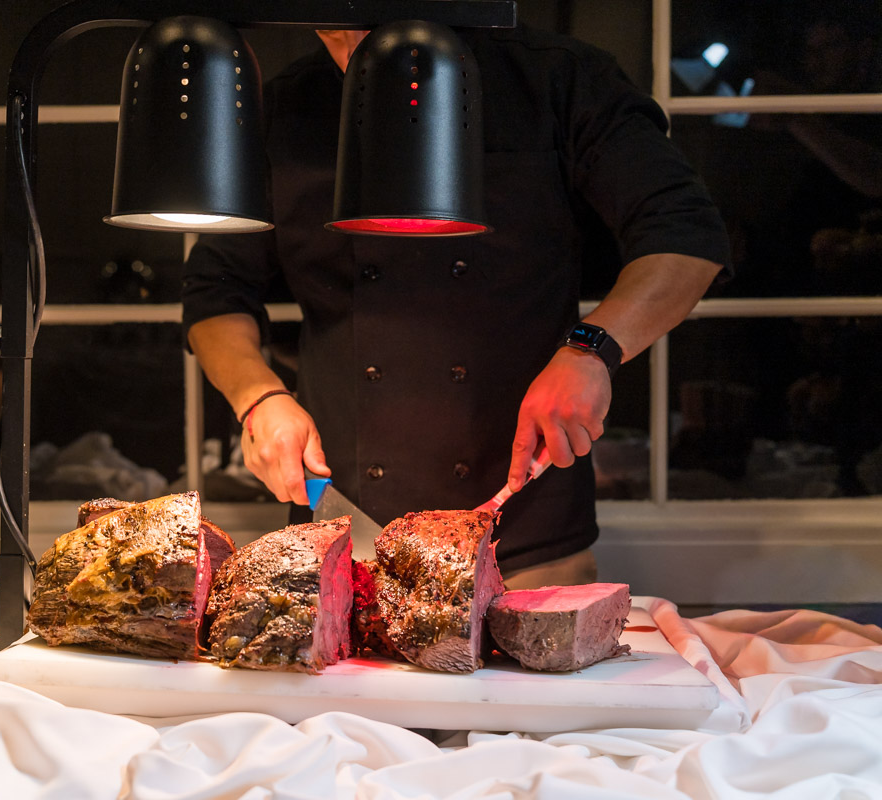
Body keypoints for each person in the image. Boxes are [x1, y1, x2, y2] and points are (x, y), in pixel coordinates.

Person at [181, 24, 730, 588]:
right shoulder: (285, 108)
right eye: (332, 34)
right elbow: (216, 287)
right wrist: (258, 399)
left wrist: (592, 351)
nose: (353, 56)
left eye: (366, 28)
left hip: (526, 545)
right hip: (340, 540)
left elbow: (686, 237)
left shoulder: (555, 79)